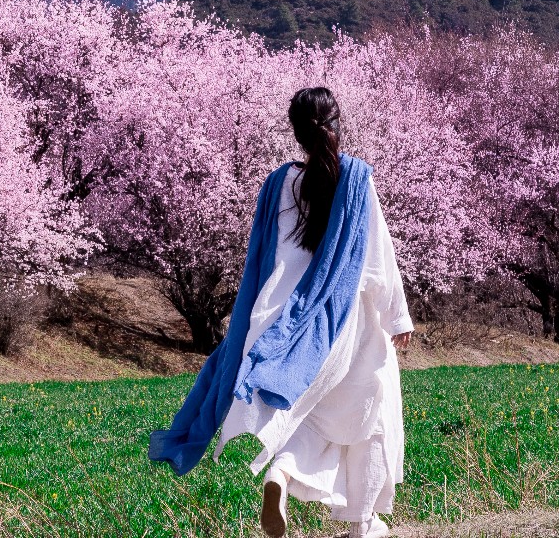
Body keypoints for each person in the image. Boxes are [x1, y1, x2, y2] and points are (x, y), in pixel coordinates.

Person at [147, 86, 413, 538]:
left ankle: (281, 475)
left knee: (311, 416)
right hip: (345, 322)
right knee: (369, 413)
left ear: (296, 133)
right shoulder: (356, 179)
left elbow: (263, 258)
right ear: (336, 124)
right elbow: (378, 259)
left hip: (284, 322)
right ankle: (361, 525)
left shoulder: (277, 184)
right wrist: (398, 318)